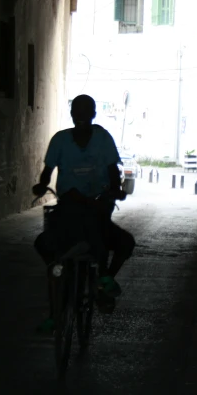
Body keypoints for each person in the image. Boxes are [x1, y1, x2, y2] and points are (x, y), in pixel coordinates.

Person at [32, 95, 135, 332]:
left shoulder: (103, 138)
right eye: (77, 112)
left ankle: (104, 278)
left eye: (86, 112)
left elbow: (112, 170)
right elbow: (47, 172)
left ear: (94, 114)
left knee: (125, 242)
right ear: (72, 115)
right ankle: (57, 310)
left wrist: (114, 191)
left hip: (99, 206)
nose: (81, 116)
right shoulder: (60, 140)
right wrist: (41, 184)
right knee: (50, 252)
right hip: (69, 208)